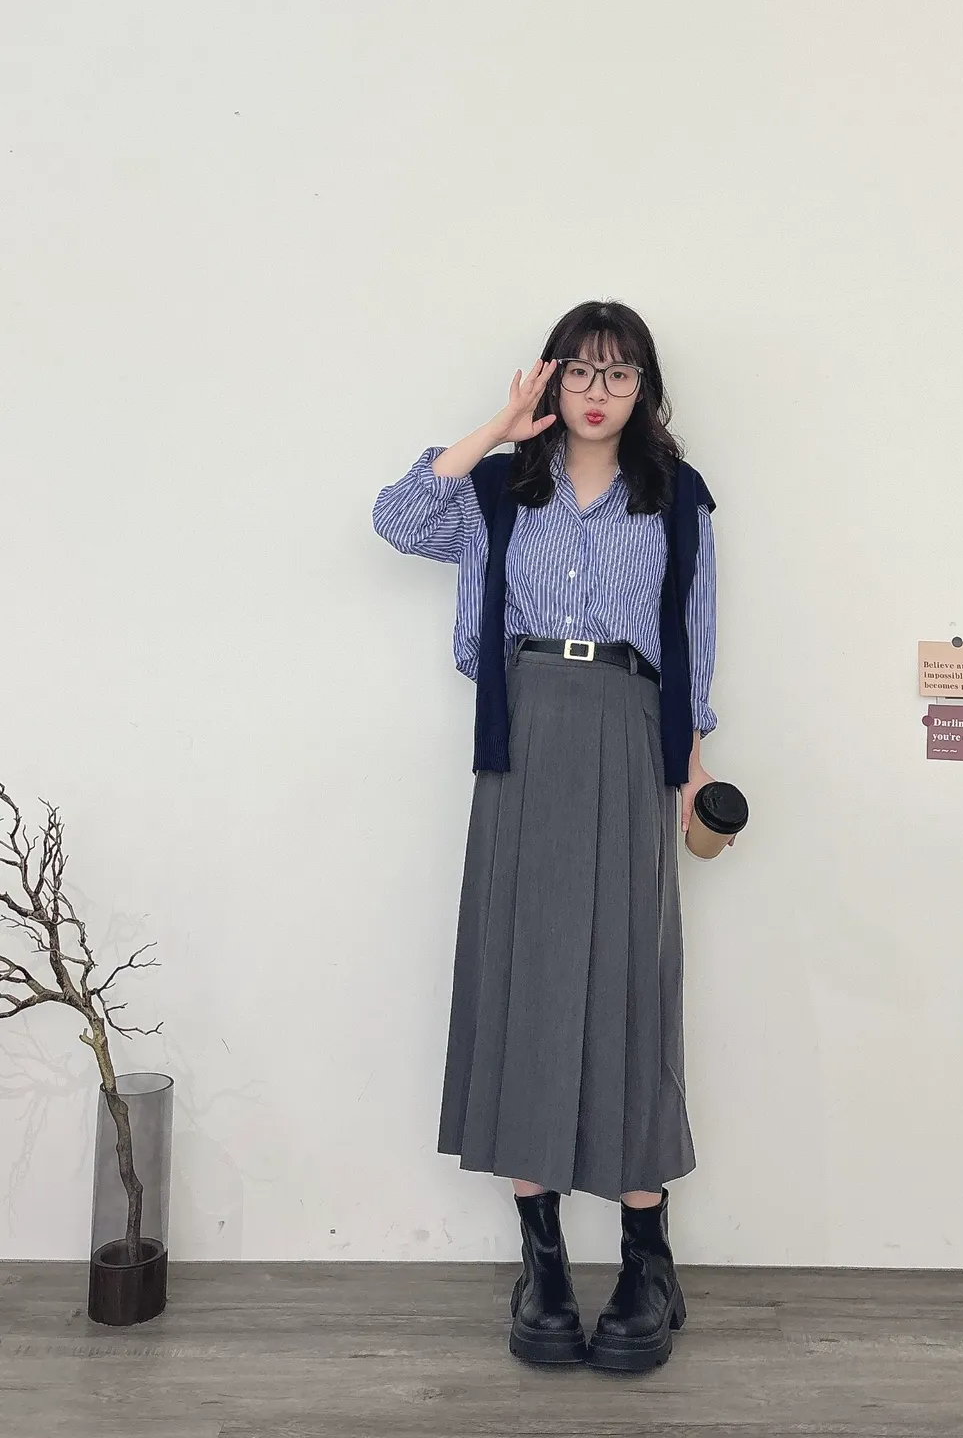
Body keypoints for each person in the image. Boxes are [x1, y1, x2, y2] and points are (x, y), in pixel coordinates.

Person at [371, 300, 726, 1373]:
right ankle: (544, 1265)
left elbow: (694, 641)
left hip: (629, 732)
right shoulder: (500, 488)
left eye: (620, 374)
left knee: (628, 980)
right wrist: (499, 424)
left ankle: (647, 1262)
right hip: (523, 736)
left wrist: (692, 771)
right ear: (550, 379)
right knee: (526, 975)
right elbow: (398, 518)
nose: (598, 391)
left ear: (645, 389)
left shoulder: (677, 497)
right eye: (580, 370)